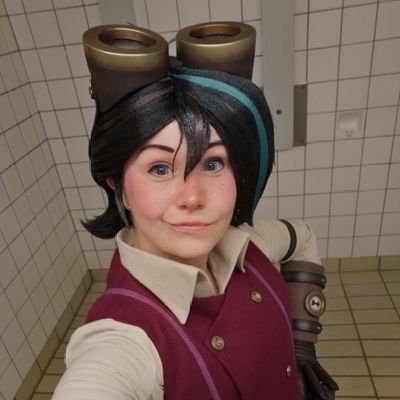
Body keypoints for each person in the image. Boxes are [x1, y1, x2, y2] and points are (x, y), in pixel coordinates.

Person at [53, 22, 338, 399]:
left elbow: (302, 238)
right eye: (159, 169)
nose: (192, 197)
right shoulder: (122, 339)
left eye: (213, 163)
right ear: (118, 186)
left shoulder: (248, 245)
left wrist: (301, 349)